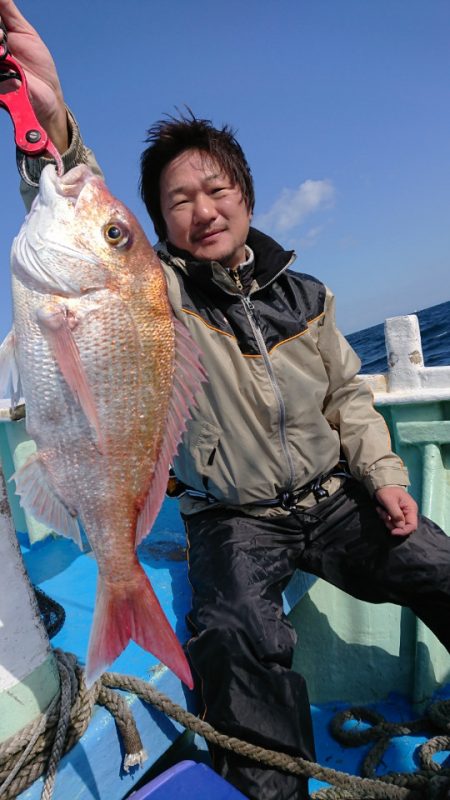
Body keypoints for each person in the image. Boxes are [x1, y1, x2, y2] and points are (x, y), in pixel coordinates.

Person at [1, 4, 450, 798]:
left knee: (440, 564)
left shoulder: (306, 293)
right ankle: (278, 787)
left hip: (333, 499)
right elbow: (83, 209)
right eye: (178, 201)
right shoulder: (157, 293)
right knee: (235, 637)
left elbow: (349, 396)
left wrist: (383, 475)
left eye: (216, 189)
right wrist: (50, 107)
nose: (203, 210)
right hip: (232, 519)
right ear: (161, 226)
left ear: (244, 194)